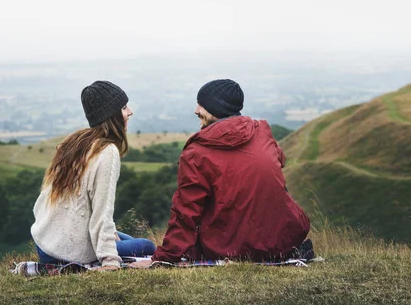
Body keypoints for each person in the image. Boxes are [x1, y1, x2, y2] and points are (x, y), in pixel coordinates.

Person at [133, 79, 311, 268]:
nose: (196, 110)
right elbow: (279, 163)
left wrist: (163, 258)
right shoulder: (262, 133)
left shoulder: (196, 152)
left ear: (215, 108)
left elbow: (186, 212)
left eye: (201, 104)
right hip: (284, 241)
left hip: (229, 248)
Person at [30, 80, 156, 270]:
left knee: (125, 238)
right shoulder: (107, 151)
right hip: (66, 252)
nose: (130, 112)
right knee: (148, 246)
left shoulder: (76, 142)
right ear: (111, 114)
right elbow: (101, 212)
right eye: (123, 107)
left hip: (45, 245)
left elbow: (42, 202)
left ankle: (104, 242)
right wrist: (110, 261)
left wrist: (110, 232)